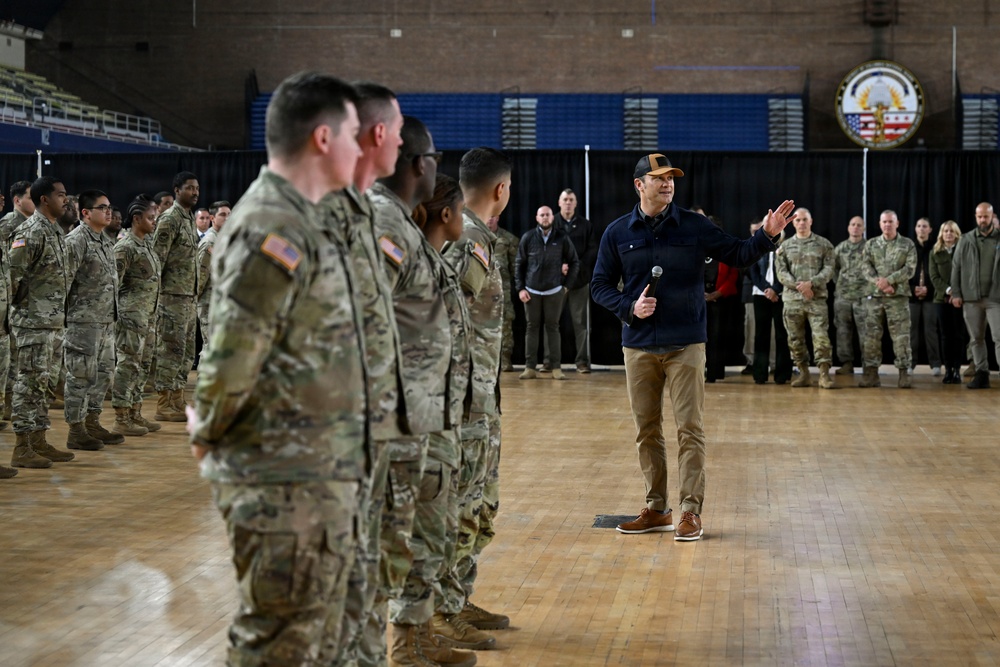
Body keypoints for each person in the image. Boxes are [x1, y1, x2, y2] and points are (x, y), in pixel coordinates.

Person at [190, 70, 368, 666]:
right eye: (353, 134)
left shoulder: (305, 218)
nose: (361, 147)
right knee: (279, 645)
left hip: (316, 472)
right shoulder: (271, 224)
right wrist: (210, 433)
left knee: (314, 639)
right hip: (279, 482)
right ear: (322, 138)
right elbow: (231, 354)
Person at [591, 152, 794, 541]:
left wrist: (766, 234)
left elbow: (737, 253)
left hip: (686, 344)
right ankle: (656, 509)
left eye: (672, 179)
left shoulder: (694, 225)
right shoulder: (617, 233)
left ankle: (689, 512)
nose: (668, 184)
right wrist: (628, 306)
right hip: (638, 346)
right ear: (639, 185)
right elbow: (600, 284)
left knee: (690, 429)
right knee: (646, 430)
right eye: (659, 178)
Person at [370, 118, 477, 667]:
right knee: (401, 535)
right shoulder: (382, 225)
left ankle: (417, 631)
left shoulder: (410, 236)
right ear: (419, 164)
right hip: (400, 420)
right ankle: (401, 643)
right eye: (434, 156)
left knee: (429, 530)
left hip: (431, 417)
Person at [321, 80, 406, 667]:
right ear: (379, 135)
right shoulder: (303, 218)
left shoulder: (362, 215)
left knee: (365, 597)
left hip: (367, 441)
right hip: (320, 459)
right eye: (398, 133)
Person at [436, 147, 513, 651]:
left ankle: (458, 598)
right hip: (462, 400)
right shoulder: (468, 241)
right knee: (460, 504)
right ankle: (440, 613)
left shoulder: (476, 237)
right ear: (501, 190)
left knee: (479, 504)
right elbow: (442, 316)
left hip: (479, 394)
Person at [8, 176, 76, 469]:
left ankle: (38, 439)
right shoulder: (29, 232)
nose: (67, 200)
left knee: (44, 385)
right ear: (44, 199)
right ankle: (22, 446)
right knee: (28, 385)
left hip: (52, 323)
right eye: (61, 195)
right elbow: (13, 278)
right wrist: (26, 311)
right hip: (33, 324)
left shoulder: (56, 231)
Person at [63, 190, 124, 450]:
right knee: (80, 376)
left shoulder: (105, 240)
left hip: (106, 321)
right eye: (102, 208)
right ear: (85, 213)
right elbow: (64, 281)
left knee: (103, 374)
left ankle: (92, 421)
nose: (109, 212)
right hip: (83, 323)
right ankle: (76, 430)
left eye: (109, 207)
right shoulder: (76, 240)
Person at [111, 195, 162, 436]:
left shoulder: (146, 244)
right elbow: (113, 285)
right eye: (151, 218)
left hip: (148, 317)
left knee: (142, 366)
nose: (155, 222)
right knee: (127, 365)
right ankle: (121, 417)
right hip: (131, 317)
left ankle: (135, 412)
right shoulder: (125, 247)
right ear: (136, 219)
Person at [151, 171, 200, 421]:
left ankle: (177, 398)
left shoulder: (189, 218)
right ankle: (164, 403)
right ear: (177, 190)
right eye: (190, 188)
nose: (195, 192)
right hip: (171, 297)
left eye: (197, 188)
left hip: (188, 297)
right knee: (170, 350)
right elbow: (156, 259)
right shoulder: (169, 219)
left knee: (185, 351)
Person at [515, 205, 579, 380]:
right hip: (531, 291)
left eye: (548, 215)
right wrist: (520, 288)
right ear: (537, 218)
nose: (545, 218)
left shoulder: (562, 238)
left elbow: (574, 262)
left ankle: (556, 368)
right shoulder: (528, 237)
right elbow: (519, 264)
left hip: (554, 290)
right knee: (531, 328)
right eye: (541, 215)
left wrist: (567, 286)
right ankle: (529, 367)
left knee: (553, 328)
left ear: (553, 218)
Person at [775, 207, 836, 389]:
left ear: (811, 221)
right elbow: (781, 272)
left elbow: (829, 269)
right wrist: (799, 286)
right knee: (795, 340)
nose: (801, 223)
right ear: (793, 223)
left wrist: (812, 283)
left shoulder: (824, 244)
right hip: (792, 300)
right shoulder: (784, 246)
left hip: (816, 300)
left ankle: (824, 375)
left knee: (821, 338)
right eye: (798, 220)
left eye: (804, 220)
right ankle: (804, 374)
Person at [859, 210, 917, 388]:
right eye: (884, 222)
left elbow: (910, 268)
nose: (887, 225)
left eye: (891, 222)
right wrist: (880, 283)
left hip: (897, 297)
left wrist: (890, 281)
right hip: (875, 296)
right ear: (879, 223)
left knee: (901, 337)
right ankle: (871, 374)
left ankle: (904, 373)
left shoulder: (907, 244)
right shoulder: (871, 244)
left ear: (897, 223)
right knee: (871, 337)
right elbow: (865, 266)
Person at [950, 202, 1000, 389]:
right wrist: (956, 292)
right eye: (979, 216)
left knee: (998, 337)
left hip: (996, 298)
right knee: (976, 338)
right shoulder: (966, 239)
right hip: (971, 298)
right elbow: (956, 267)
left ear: (992, 216)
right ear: (975, 216)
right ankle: (982, 374)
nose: (982, 220)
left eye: (986, 216)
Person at [555, 188, 597, 373]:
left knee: (580, 323)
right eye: (565, 199)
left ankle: (582, 361)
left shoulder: (585, 225)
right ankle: (551, 362)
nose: (568, 203)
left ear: (576, 203)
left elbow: (592, 250)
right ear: (559, 202)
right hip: (555, 281)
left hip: (579, 281)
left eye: (571, 199)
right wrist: (559, 265)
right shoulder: (552, 222)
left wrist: (575, 266)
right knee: (552, 323)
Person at [750, 234, 793, 384]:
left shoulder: (787, 247)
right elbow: (753, 272)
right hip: (761, 294)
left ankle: (782, 374)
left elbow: (789, 271)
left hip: (781, 295)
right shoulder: (757, 247)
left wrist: (775, 289)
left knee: (782, 334)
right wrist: (767, 289)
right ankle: (760, 374)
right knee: (761, 335)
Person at [703, 218, 740, 383]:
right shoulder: (698, 247)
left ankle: (715, 372)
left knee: (717, 336)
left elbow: (733, 276)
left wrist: (716, 294)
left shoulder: (727, 248)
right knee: (699, 337)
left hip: (720, 299)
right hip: (699, 299)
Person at [929, 220, 964, 384]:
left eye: (951, 231)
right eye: (945, 231)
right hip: (941, 299)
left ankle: (957, 370)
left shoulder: (963, 250)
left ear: (956, 233)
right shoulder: (935, 252)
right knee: (945, 335)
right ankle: (948, 369)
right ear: (941, 234)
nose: (948, 234)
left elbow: (967, 274)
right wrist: (948, 291)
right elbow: (934, 277)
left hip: (959, 298)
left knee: (957, 335)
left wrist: (956, 292)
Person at [832, 216, 867, 374]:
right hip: (843, 297)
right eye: (853, 224)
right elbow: (833, 269)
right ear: (848, 228)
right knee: (843, 331)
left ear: (863, 228)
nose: (856, 227)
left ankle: (869, 365)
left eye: (859, 225)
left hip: (864, 297)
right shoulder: (840, 248)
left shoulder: (869, 247)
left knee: (866, 332)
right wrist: (841, 284)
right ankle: (846, 363)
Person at [195, 199, 231, 355]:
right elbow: (200, 276)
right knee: (211, 348)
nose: (228, 218)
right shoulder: (210, 242)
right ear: (212, 218)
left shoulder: (223, 239)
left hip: (221, 301)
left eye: (230, 214)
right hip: (209, 302)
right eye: (223, 215)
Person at [909, 217, 942, 375]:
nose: (921, 229)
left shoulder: (936, 248)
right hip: (912, 296)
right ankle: (910, 363)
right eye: (919, 226)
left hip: (931, 296)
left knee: (931, 331)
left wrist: (929, 289)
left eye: (925, 226)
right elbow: (904, 274)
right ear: (915, 229)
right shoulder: (909, 248)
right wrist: (912, 288)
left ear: (930, 230)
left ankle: (935, 364)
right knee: (911, 331)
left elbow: (939, 274)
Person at [487, 215, 519, 372]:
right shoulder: (475, 236)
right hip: (481, 290)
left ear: (498, 218)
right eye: (488, 216)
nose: (489, 220)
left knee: (506, 323)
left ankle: (505, 358)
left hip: (503, 290)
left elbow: (516, 268)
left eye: (493, 217)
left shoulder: (508, 239)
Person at [740, 220, 763, 375]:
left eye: (758, 230)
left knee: (773, 332)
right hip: (751, 294)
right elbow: (743, 268)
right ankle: (751, 362)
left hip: (771, 294)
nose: (755, 234)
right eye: (753, 231)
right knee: (751, 330)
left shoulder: (772, 244)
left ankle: (773, 363)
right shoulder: (745, 247)